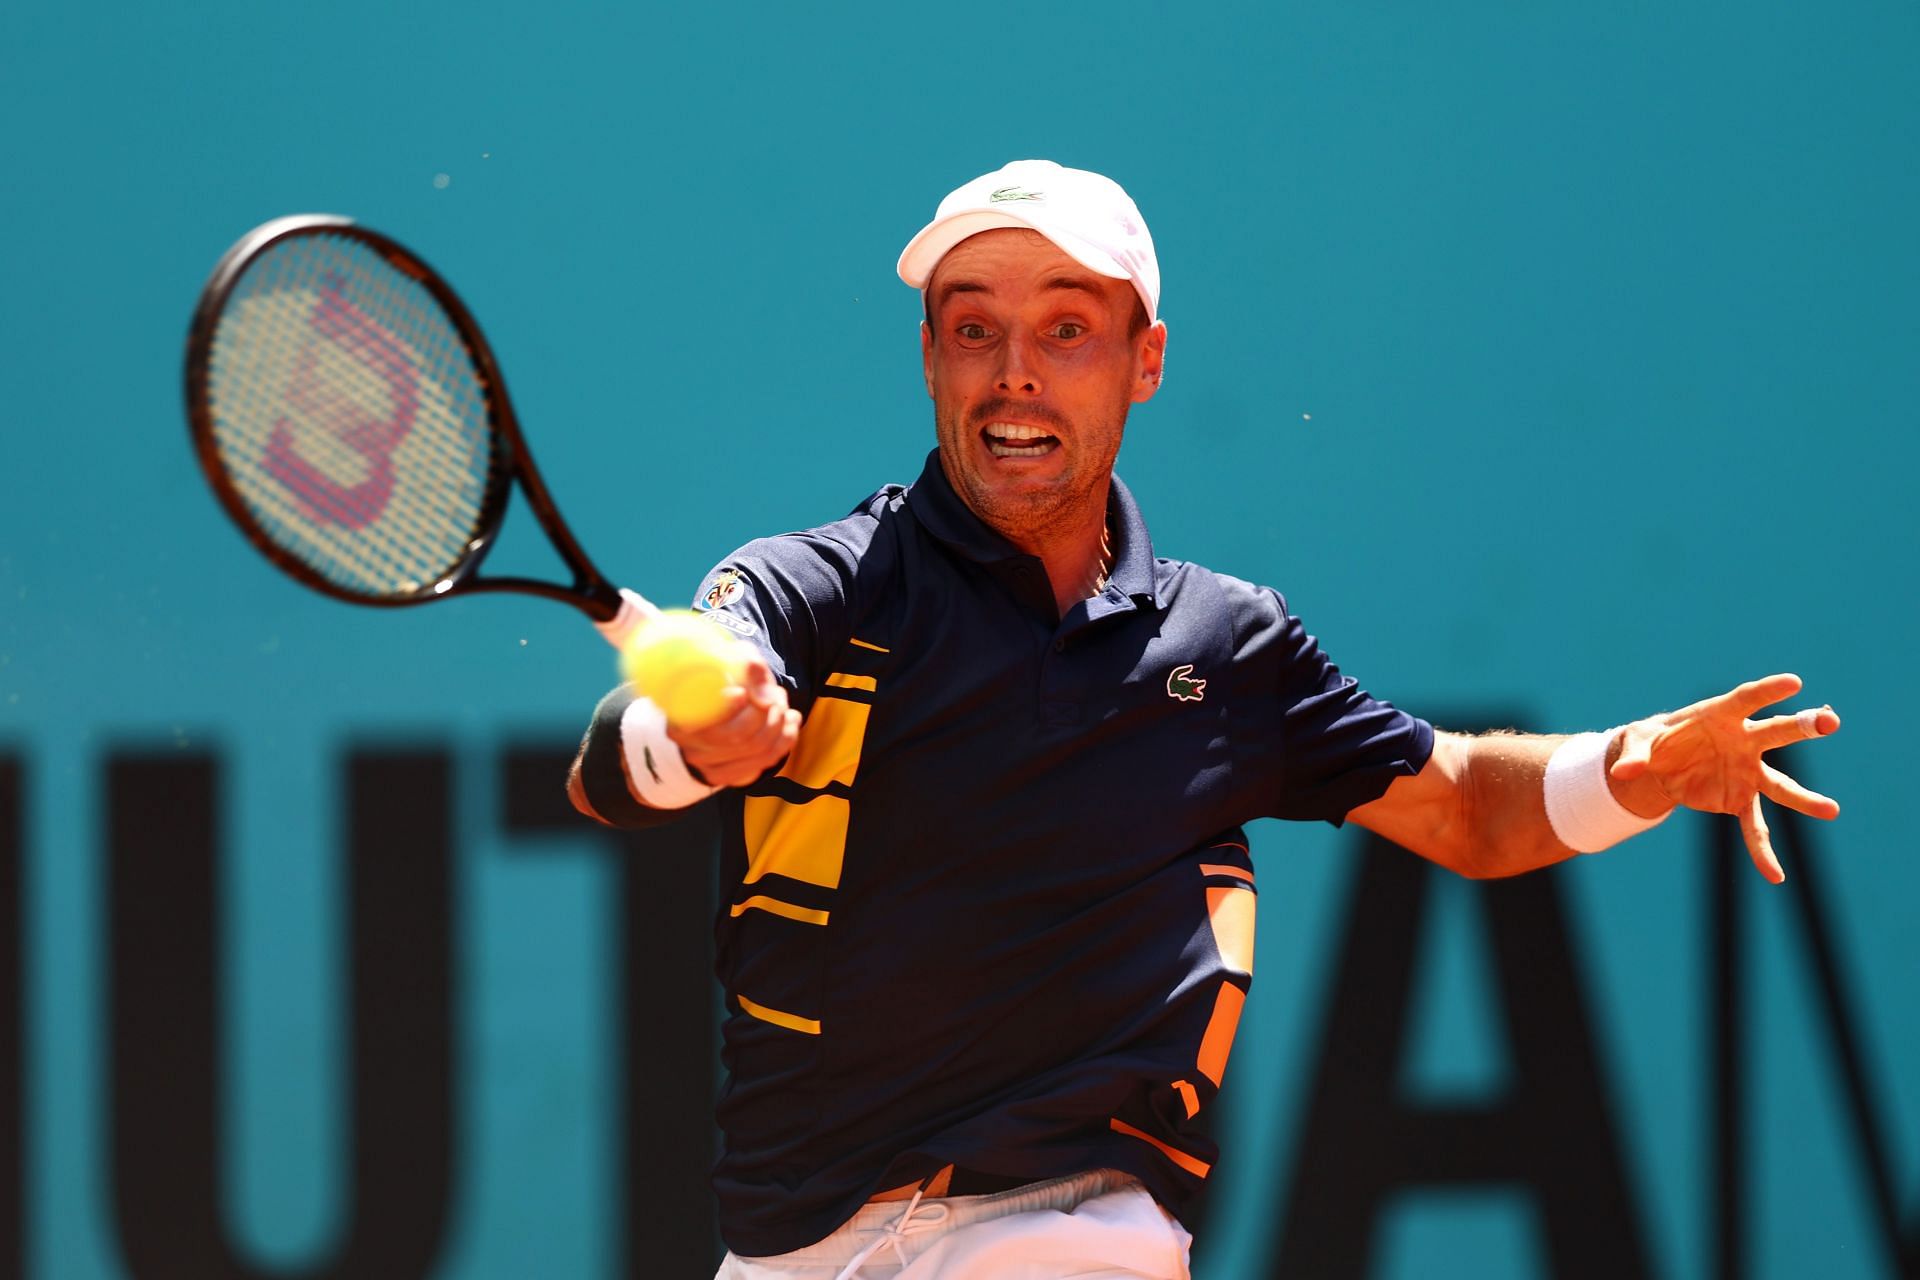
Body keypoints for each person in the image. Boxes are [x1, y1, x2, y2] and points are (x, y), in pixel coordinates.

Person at [568, 159, 1841, 1279]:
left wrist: (1638, 764)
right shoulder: (824, 582)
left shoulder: (1226, 646)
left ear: (1146, 361)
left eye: (1067, 329)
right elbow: (638, 736)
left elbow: (1462, 806)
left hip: (1072, 1230)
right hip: (790, 1242)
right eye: (974, 328)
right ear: (930, 355)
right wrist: (687, 740)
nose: (1014, 369)